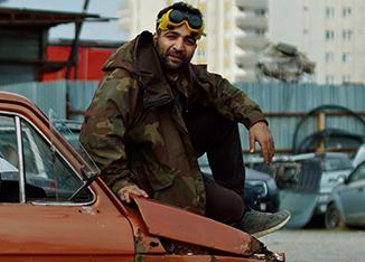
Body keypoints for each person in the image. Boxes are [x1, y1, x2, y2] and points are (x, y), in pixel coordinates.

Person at [80, 2, 290, 237]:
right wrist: (120, 183)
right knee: (229, 206)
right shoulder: (126, 78)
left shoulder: (182, 74)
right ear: (156, 36)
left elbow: (219, 89)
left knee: (222, 114)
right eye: (172, 36)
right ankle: (233, 213)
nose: (179, 47)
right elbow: (96, 135)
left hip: (168, 155)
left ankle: (237, 215)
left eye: (189, 41)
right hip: (143, 176)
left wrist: (256, 120)